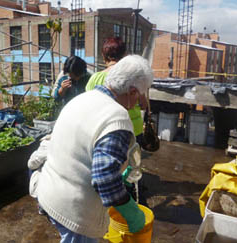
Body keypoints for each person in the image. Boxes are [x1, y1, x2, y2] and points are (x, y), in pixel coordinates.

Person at [31, 55, 153, 242]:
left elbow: (80, 151)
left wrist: (120, 173)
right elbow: (105, 179)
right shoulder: (116, 118)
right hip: (75, 213)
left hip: (49, 193)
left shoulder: (82, 99)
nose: (138, 103)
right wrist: (131, 211)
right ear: (133, 92)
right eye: (140, 96)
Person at [86, 37, 147, 203]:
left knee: (109, 165)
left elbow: (89, 106)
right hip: (133, 129)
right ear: (125, 55)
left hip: (102, 131)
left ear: (104, 56)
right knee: (131, 170)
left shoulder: (94, 79)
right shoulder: (131, 78)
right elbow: (143, 104)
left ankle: (116, 199)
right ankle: (130, 200)